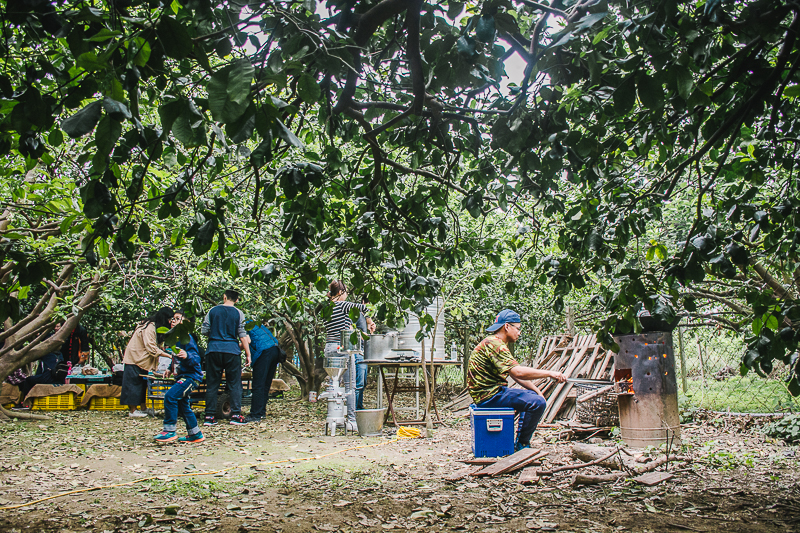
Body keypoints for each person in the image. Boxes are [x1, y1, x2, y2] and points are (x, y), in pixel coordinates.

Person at [467, 309, 567, 451]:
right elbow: (518, 372)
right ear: (507, 327)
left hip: (491, 393)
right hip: (489, 396)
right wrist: (550, 373)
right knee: (537, 403)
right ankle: (522, 444)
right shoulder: (495, 344)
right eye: (518, 328)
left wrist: (538, 391)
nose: (519, 333)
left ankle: (520, 440)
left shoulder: (494, 343)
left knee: (535, 398)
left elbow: (514, 374)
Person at [324, 280, 375, 431]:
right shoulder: (343, 305)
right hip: (343, 348)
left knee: (333, 385)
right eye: (345, 292)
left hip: (329, 347)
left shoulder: (326, 308)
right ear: (340, 293)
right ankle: (352, 421)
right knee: (350, 386)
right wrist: (370, 319)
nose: (347, 295)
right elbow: (364, 308)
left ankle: (334, 417)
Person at [154, 311, 205, 444]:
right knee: (183, 406)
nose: (173, 321)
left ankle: (169, 430)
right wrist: (170, 370)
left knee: (170, 396)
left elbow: (196, 357)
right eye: (173, 319)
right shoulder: (175, 339)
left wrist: (187, 355)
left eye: (178, 319)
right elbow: (176, 359)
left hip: (191, 377)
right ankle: (195, 434)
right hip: (182, 376)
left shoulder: (186, 338)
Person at [201, 289, 251, 426]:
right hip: (232, 351)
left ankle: (209, 416)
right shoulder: (238, 313)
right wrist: (248, 354)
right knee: (235, 383)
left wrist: (216, 335)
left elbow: (204, 330)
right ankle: (235, 415)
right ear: (237, 300)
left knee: (212, 384)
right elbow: (242, 334)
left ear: (224, 297)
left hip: (213, 349)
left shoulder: (212, 311)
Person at [121, 307, 174, 418]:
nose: (170, 322)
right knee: (133, 384)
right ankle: (133, 411)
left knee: (142, 384)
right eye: (170, 319)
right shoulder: (150, 327)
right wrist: (169, 356)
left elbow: (158, 345)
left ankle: (143, 408)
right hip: (135, 358)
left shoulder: (156, 327)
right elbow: (151, 348)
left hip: (143, 360)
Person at [244, 320, 281, 423]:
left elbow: (247, 340)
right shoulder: (254, 323)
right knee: (265, 384)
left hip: (264, 352)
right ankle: (261, 412)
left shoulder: (242, 325)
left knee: (258, 384)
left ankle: (255, 415)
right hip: (275, 350)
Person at [353, 294, 370, 411]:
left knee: (362, 383)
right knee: (358, 384)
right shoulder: (356, 315)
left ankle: (359, 407)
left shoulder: (365, 317)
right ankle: (354, 410)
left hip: (363, 353)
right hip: (357, 352)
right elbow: (350, 330)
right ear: (363, 302)